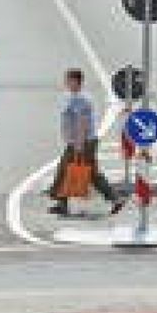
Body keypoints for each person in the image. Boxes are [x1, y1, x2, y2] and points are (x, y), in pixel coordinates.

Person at [49, 69, 125, 216]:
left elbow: (82, 122)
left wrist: (78, 145)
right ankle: (62, 202)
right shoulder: (76, 97)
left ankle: (114, 199)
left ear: (76, 81)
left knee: (68, 170)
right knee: (85, 173)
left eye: (68, 80)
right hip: (81, 142)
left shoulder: (80, 99)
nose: (66, 83)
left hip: (82, 143)